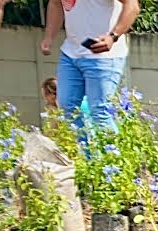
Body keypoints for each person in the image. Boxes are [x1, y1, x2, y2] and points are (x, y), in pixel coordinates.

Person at [39, 0, 138, 132]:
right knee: (67, 109)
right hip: (70, 54)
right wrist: (49, 37)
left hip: (103, 57)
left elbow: (132, 6)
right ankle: (84, 152)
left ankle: (111, 152)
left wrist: (112, 37)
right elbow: (55, 4)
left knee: (100, 111)